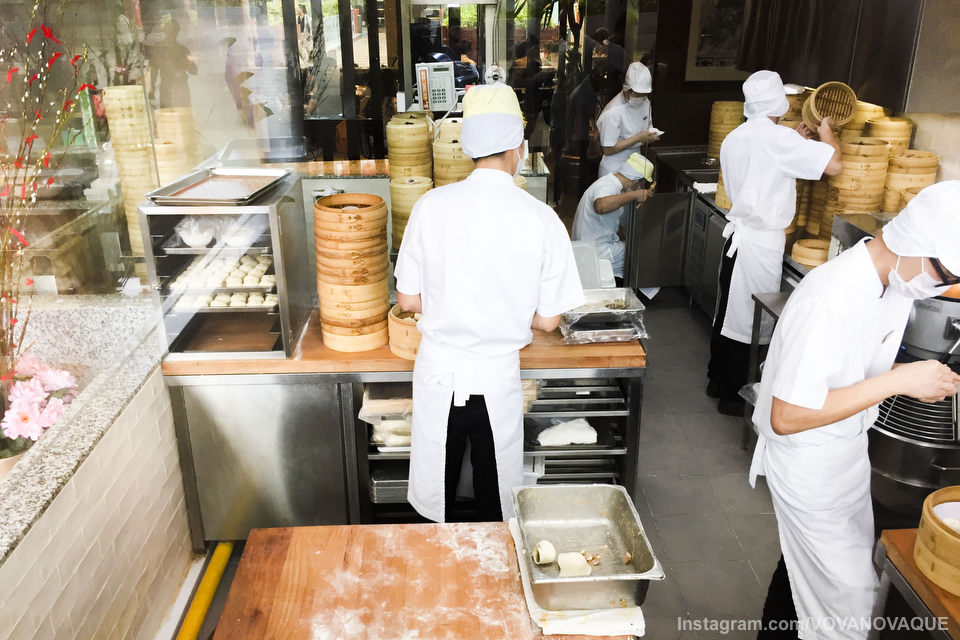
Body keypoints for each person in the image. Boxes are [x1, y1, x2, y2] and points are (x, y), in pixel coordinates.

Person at [750, 181, 960, 638]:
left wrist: (915, 376)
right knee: (851, 599)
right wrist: (899, 381)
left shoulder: (893, 285)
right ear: (915, 244)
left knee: (805, 570)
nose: (944, 286)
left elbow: (855, 361)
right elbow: (786, 417)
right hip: (807, 461)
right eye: (945, 274)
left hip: (845, 450)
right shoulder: (832, 295)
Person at [395, 84, 585, 523]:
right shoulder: (540, 217)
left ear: (468, 148)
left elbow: (407, 299)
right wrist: (511, 311)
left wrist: (449, 304)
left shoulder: (431, 206)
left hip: (439, 373)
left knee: (436, 493)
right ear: (518, 147)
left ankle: (438, 574)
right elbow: (550, 319)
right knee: (495, 496)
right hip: (497, 379)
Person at [707, 70, 842, 416]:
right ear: (779, 103)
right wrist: (827, 132)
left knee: (727, 312)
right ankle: (733, 397)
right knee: (748, 320)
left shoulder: (737, 137)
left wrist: (796, 141)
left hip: (738, 237)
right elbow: (836, 166)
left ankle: (717, 380)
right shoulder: (780, 140)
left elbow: (767, 167)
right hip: (760, 243)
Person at [572, 152, 654, 283]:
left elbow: (613, 227)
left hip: (591, 247)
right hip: (594, 251)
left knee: (634, 249)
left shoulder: (611, 185)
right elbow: (601, 206)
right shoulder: (608, 185)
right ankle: (645, 297)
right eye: (641, 183)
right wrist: (635, 195)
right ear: (635, 181)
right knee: (641, 253)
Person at [596, 62, 660, 178]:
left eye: (644, 94)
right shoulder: (612, 112)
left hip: (636, 166)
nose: (641, 97)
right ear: (627, 89)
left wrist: (650, 136)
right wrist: (639, 138)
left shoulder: (645, 103)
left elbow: (648, 126)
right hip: (614, 169)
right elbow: (608, 149)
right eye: (638, 94)